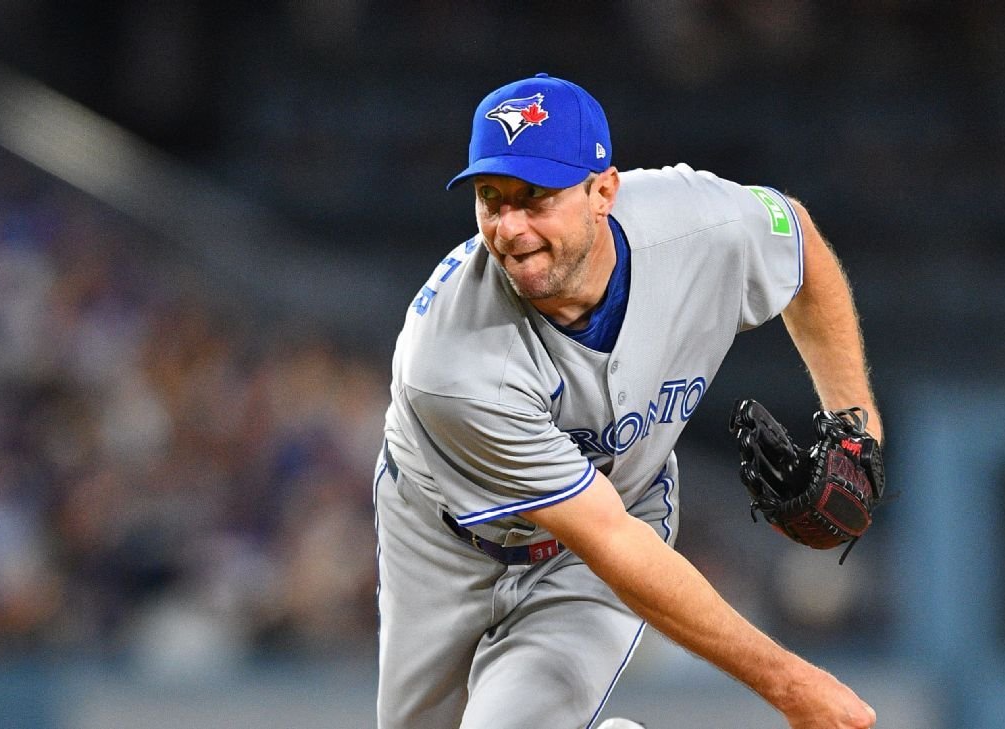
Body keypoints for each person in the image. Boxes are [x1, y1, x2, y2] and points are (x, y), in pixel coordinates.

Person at [374, 72, 880, 729]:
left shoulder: (696, 225)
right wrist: (793, 685)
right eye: (491, 198)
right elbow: (607, 536)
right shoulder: (452, 363)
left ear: (603, 191)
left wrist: (856, 426)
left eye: (535, 197)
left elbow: (799, 242)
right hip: (439, 540)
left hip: (600, 541)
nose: (510, 227)